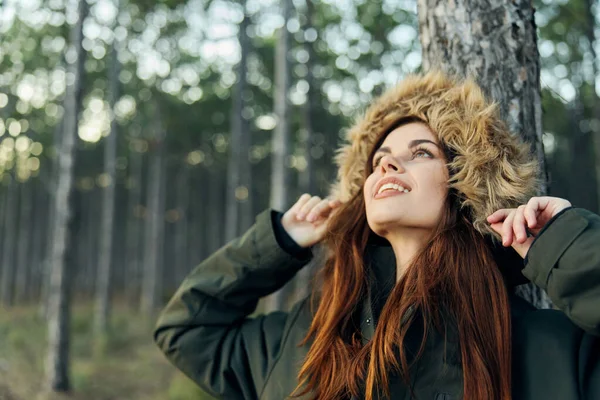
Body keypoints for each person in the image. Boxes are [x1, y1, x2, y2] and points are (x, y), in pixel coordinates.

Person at [153, 71, 600, 400]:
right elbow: (188, 329)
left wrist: (564, 244)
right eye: (379, 160)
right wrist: (278, 243)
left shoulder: (549, 348)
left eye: (420, 153)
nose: (386, 165)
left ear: (467, 186)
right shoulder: (307, 337)